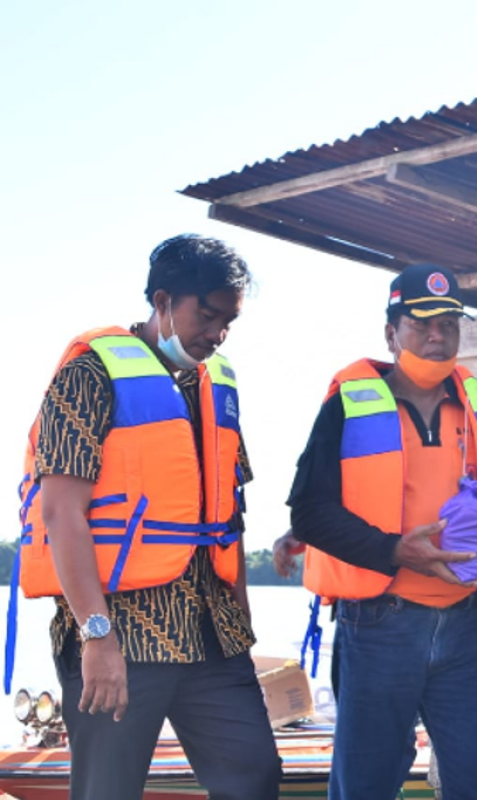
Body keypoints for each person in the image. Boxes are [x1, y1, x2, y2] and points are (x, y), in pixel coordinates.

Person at [15, 234, 282, 800]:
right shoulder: (88, 374)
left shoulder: (219, 383)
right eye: (206, 316)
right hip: (120, 633)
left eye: (228, 321)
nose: (217, 334)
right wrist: (97, 636)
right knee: (106, 791)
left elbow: (229, 516)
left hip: (212, 633)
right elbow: (62, 513)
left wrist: (242, 620)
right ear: (162, 302)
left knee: (255, 773)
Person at [288, 263, 477, 800]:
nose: (437, 333)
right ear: (391, 331)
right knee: (365, 789)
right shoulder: (347, 403)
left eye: (448, 321)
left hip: (467, 626)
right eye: (421, 321)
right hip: (380, 626)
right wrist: (393, 550)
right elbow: (307, 512)